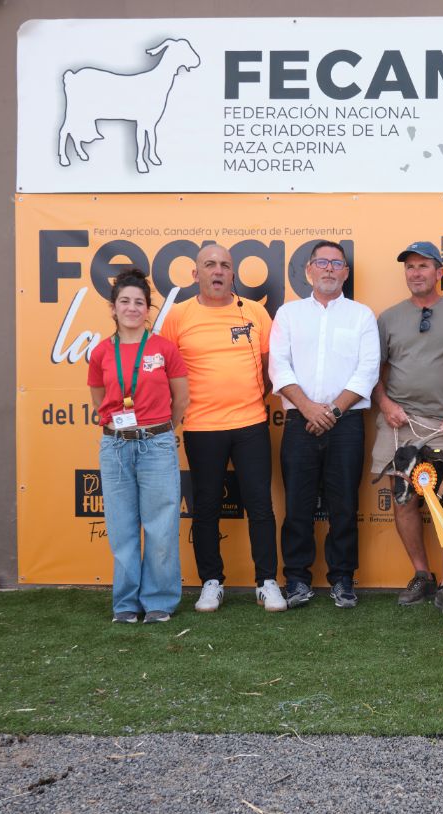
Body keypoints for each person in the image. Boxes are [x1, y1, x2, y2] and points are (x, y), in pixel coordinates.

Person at [160, 244, 284, 613]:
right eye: (210, 265)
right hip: (201, 426)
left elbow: (270, 368)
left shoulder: (255, 312)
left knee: (260, 505)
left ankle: (267, 582)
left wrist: (247, 398)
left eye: (225, 265)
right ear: (195, 274)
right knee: (206, 506)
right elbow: (165, 371)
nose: (218, 271)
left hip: (251, 423)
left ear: (233, 274)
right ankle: (211, 582)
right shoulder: (178, 316)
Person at [269, 241, 380, 610]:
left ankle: (343, 579)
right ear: (308, 270)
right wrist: (308, 408)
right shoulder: (288, 314)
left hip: (346, 423)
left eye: (336, 263)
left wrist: (331, 411)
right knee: (297, 504)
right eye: (322, 262)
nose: (329, 268)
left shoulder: (361, 315)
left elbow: (368, 370)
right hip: (299, 420)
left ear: (346, 272)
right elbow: (278, 366)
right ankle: (296, 579)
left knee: (344, 504)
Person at [372, 241, 443, 616]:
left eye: (423, 266)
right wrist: (386, 405)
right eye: (410, 267)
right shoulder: (388, 318)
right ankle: (421, 574)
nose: (415, 273)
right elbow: (375, 372)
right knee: (404, 500)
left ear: (439, 272)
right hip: (400, 424)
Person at [88, 269, 189, 624]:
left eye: (139, 302)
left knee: (161, 528)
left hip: (156, 444)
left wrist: (159, 430)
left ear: (148, 309)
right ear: (113, 307)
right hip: (115, 447)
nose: (132, 308)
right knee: (122, 528)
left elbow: (181, 399)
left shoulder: (164, 349)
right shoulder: (101, 352)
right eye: (124, 301)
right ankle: (126, 603)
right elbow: (100, 399)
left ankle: (159, 600)